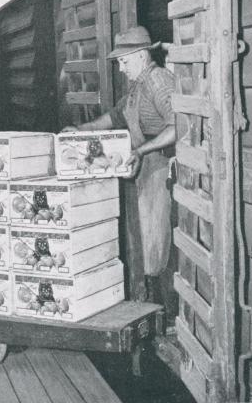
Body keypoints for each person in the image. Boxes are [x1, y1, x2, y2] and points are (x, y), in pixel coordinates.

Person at [63, 26, 176, 301]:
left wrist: (141, 150)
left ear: (140, 55)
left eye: (124, 62)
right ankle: (154, 302)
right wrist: (82, 130)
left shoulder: (159, 81)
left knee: (158, 241)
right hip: (147, 166)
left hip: (163, 167)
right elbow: (115, 117)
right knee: (148, 239)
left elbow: (178, 126)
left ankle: (167, 309)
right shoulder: (139, 86)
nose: (122, 68)